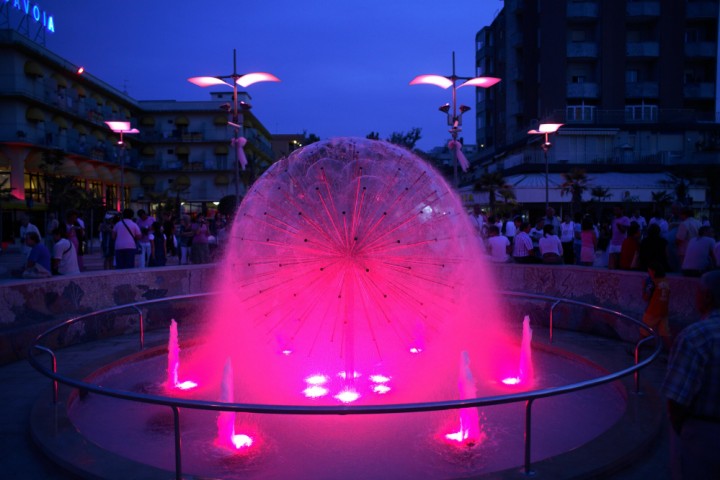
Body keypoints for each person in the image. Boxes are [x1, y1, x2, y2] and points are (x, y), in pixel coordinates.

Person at [662, 271, 720, 479]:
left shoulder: (695, 337)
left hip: (704, 435)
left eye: (697, 292)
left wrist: (685, 432)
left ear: (706, 297)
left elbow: (676, 401)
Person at [641, 260, 671, 351]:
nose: (648, 272)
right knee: (666, 335)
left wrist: (643, 287)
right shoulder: (666, 282)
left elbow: (646, 297)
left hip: (652, 311)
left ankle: (637, 351)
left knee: (643, 332)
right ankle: (673, 354)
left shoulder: (652, 283)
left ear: (653, 271)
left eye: (649, 270)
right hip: (663, 312)